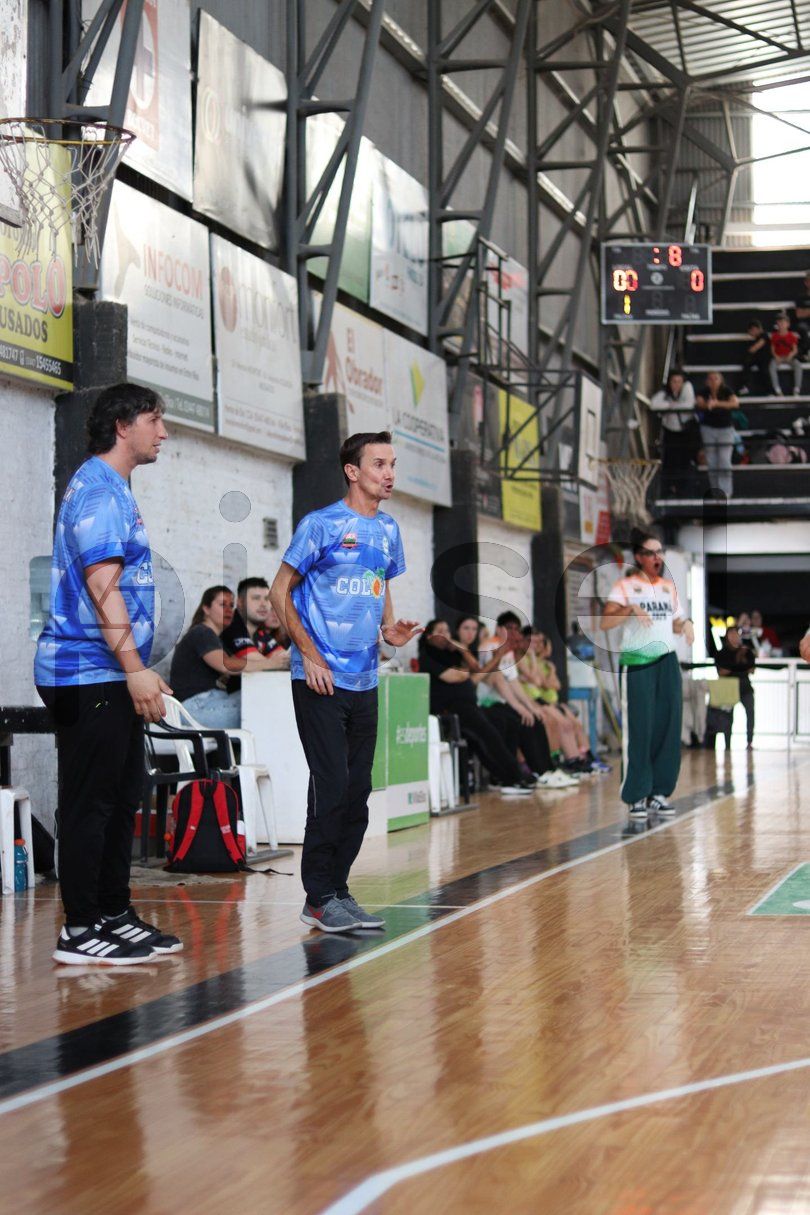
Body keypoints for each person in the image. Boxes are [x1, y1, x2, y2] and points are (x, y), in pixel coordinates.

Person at [34, 383, 181, 966]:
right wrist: (134, 669)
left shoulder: (115, 488)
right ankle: (79, 928)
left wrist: (137, 670)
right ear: (123, 426)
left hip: (109, 672)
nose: (162, 432)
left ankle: (113, 913)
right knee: (90, 804)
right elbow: (102, 588)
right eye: (153, 420)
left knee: (123, 798)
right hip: (85, 672)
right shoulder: (98, 490)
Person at [270, 431, 420, 934]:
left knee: (358, 792)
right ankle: (317, 897)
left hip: (365, 679)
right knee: (331, 785)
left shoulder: (389, 530)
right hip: (319, 679)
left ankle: (337, 890)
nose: (389, 474)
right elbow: (279, 591)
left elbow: (381, 584)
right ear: (352, 471)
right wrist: (309, 655)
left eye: (392, 464)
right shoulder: (321, 525)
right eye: (379, 464)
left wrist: (388, 631)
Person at [599, 531, 695, 820]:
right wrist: (630, 609)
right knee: (640, 727)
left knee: (668, 725)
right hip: (638, 661)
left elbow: (674, 623)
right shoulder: (625, 586)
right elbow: (605, 622)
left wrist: (686, 624)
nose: (658, 557)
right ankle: (636, 794)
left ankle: (659, 792)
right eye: (652, 553)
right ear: (639, 557)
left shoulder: (667, 588)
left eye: (660, 552)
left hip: (667, 660)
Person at [418, 620, 535, 795]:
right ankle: (514, 777)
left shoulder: (452, 654)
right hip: (450, 710)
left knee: (503, 723)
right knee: (487, 734)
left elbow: (475, 667)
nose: (445, 635)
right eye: (440, 631)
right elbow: (455, 676)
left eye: (447, 631)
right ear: (429, 636)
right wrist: (472, 670)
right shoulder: (428, 656)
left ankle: (504, 778)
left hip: (468, 706)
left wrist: (461, 650)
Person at [475, 612, 577, 789]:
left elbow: (513, 683)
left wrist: (529, 707)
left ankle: (547, 769)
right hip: (486, 702)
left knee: (535, 717)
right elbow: (498, 681)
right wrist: (520, 707)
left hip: (503, 701)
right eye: (509, 628)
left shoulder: (507, 651)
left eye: (516, 629)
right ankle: (531, 772)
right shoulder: (489, 646)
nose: (513, 632)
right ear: (498, 629)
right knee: (520, 720)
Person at [170, 586, 284, 727]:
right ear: (206, 609)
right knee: (263, 707)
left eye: (231, 605)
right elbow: (226, 665)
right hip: (195, 708)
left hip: (212, 703)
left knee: (265, 697)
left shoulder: (217, 639)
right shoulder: (202, 632)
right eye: (223, 605)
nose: (229, 610)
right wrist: (273, 663)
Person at [518, 629, 610, 774]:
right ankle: (564, 760)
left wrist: (548, 674)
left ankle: (584, 757)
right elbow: (540, 682)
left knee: (575, 724)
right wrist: (540, 673)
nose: (536, 645)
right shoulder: (525, 660)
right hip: (536, 701)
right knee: (559, 723)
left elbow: (556, 685)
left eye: (539, 642)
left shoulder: (545, 664)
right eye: (532, 642)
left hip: (547, 701)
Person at [220, 576, 290, 698]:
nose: (263, 604)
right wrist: (278, 662)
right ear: (240, 602)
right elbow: (260, 662)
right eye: (256, 598)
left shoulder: (259, 632)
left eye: (267, 599)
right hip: (220, 699)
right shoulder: (232, 626)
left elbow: (285, 658)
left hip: (249, 695)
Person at [649, 370, 697, 488]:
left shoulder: (687, 388)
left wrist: (672, 406)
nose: (676, 384)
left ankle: (684, 488)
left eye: (679, 381)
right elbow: (653, 404)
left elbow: (689, 404)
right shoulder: (665, 393)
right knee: (670, 461)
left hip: (685, 431)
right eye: (674, 381)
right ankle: (670, 487)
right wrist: (670, 405)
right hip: (670, 431)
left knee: (684, 461)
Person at [695, 371, 738, 499]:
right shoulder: (703, 392)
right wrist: (707, 404)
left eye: (716, 379)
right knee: (712, 461)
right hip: (708, 429)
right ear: (707, 381)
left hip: (725, 429)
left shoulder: (726, 391)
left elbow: (735, 403)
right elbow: (699, 403)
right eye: (711, 379)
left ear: (721, 381)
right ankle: (715, 491)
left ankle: (726, 491)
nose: (713, 381)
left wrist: (717, 404)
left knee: (724, 459)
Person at [715, 626, 755, 749]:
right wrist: (737, 662)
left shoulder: (746, 651)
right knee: (728, 716)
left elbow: (752, 670)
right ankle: (727, 745)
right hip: (729, 688)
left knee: (750, 713)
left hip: (745, 687)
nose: (734, 637)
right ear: (727, 636)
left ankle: (749, 742)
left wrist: (742, 659)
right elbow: (721, 672)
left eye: (736, 634)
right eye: (731, 634)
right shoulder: (722, 653)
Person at [769, 313, 803, 396]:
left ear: (788, 324)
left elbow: (795, 349)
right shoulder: (774, 336)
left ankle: (797, 389)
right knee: (771, 366)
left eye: (783, 323)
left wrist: (790, 355)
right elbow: (772, 349)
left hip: (789, 357)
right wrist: (776, 356)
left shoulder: (791, 336)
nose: (781, 325)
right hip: (778, 357)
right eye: (779, 323)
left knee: (798, 365)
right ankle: (777, 389)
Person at [737, 320, 769, 396]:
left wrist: (750, 349)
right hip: (757, 359)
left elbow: (753, 349)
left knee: (764, 372)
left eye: (751, 331)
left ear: (756, 329)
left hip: (764, 359)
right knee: (746, 363)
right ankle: (745, 386)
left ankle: (769, 391)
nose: (750, 333)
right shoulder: (756, 338)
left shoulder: (764, 335)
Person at [793, 270, 810, 359]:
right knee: (802, 328)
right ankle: (805, 352)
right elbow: (799, 315)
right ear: (806, 283)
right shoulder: (800, 297)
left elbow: (803, 313)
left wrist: (806, 311)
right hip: (804, 323)